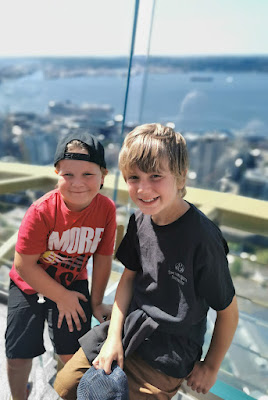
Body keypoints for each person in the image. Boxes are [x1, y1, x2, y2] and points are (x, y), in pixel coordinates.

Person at [54, 123, 239, 400]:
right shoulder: (140, 220)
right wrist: (113, 337)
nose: (143, 189)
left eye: (155, 175)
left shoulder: (202, 239)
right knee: (66, 385)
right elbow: (127, 279)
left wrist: (211, 366)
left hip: (169, 350)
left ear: (181, 176)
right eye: (133, 177)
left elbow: (228, 311)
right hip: (129, 328)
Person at [5, 132, 117, 400]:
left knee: (74, 355)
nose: (77, 183)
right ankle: (18, 396)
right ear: (57, 173)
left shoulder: (106, 209)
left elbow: (103, 258)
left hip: (72, 280)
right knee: (19, 355)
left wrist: (97, 302)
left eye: (88, 175)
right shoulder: (42, 210)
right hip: (30, 284)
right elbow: (24, 265)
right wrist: (62, 297)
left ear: (103, 175)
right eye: (68, 174)